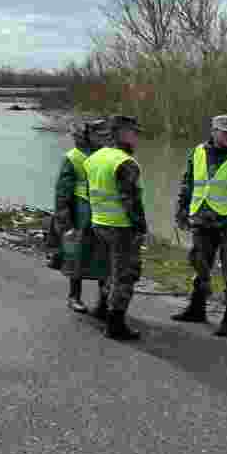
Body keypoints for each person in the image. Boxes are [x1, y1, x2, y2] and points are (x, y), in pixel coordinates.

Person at [86, 115, 148, 341]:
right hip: (121, 228)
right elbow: (130, 201)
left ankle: (102, 309)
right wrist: (141, 228)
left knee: (107, 270)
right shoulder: (125, 162)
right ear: (121, 133)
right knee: (125, 276)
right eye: (134, 132)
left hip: (99, 222)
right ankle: (116, 324)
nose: (137, 137)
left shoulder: (94, 158)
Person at [172, 114, 227, 337]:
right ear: (214, 132)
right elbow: (188, 182)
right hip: (201, 221)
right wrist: (181, 210)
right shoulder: (198, 152)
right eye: (224, 132)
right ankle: (196, 309)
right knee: (200, 267)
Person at [55, 119, 110, 313]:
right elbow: (62, 194)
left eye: (105, 135)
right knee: (77, 255)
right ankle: (74, 296)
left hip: (103, 213)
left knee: (105, 257)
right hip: (80, 214)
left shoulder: (107, 155)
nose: (102, 138)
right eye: (98, 135)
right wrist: (65, 223)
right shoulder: (73, 157)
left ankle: (103, 302)